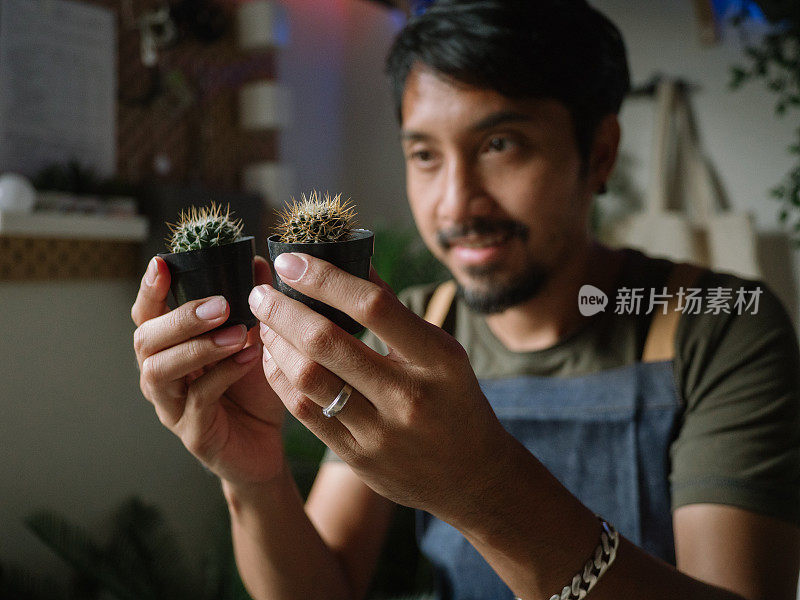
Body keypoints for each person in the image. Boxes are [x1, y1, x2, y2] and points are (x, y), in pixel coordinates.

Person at [130, 1, 800, 599]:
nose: (455, 204)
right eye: (424, 155)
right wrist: (253, 480)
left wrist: (487, 492)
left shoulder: (722, 326)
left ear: (598, 155)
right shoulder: (413, 322)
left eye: (500, 145)